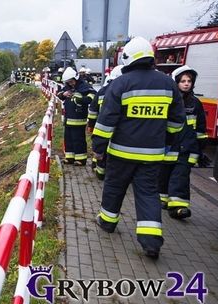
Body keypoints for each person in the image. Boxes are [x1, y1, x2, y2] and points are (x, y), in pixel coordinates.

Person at [92, 37, 186, 259]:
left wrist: (98, 147)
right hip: (152, 155)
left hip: (121, 153)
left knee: (115, 188)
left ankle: (107, 222)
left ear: (128, 58)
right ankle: (151, 241)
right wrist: (168, 141)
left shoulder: (121, 84)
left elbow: (106, 121)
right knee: (148, 194)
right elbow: (177, 121)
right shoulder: (168, 84)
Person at [158, 65, 207, 219]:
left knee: (180, 176)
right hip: (169, 146)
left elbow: (200, 128)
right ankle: (164, 200)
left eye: (189, 81)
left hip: (187, 148)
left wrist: (200, 150)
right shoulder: (168, 101)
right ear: (176, 82)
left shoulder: (196, 103)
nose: (186, 84)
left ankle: (179, 207)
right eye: (183, 81)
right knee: (164, 176)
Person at [88, 65, 124, 180]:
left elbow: (93, 110)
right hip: (120, 130)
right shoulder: (127, 90)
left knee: (101, 149)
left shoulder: (102, 91)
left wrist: (92, 125)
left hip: (102, 126)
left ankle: (100, 172)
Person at [57, 67, 96, 165]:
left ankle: (81, 159)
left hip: (79, 118)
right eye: (68, 82)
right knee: (68, 139)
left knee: (78, 139)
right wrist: (64, 94)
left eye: (71, 82)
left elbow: (93, 96)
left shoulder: (84, 86)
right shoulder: (67, 86)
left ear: (76, 78)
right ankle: (69, 157)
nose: (70, 84)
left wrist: (80, 99)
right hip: (68, 118)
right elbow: (59, 94)